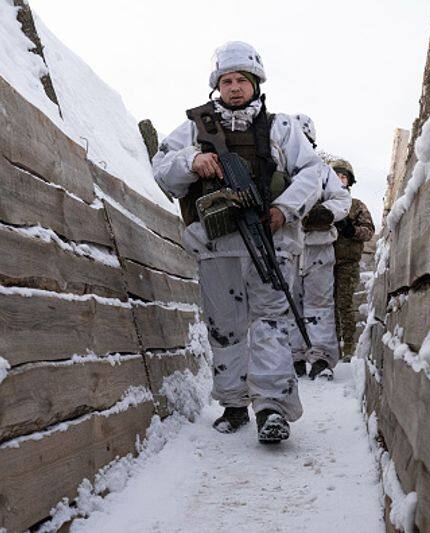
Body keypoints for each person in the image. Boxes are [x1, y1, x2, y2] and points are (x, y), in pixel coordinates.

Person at [152, 42, 322, 443]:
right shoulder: (195, 128)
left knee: (270, 324)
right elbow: (161, 169)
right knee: (225, 328)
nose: (233, 88)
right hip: (217, 246)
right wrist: (192, 162)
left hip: (270, 242)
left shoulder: (281, 128)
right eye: (226, 81)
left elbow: (313, 172)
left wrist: (284, 209)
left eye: (241, 80)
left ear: (255, 83)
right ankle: (233, 404)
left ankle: (271, 410)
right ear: (217, 85)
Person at [290, 114, 351, 380]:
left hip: (318, 246)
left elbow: (342, 199)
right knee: (288, 303)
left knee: (319, 304)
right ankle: (294, 356)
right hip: (287, 246)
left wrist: (324, 212)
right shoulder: (277, 167)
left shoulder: (322, 171)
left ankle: (322, 358)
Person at [330, 159, 375, 361]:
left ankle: (348, 348)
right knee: (326, 306)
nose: (340, 180)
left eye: (343, 177)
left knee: (345, 304)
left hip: (347, 263)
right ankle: (331, 348)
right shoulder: (325, 202)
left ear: (349, 181)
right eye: (336, 176)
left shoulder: (356, 206)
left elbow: (369, 232)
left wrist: (352, 230)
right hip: (324, 262)